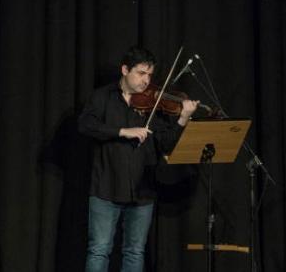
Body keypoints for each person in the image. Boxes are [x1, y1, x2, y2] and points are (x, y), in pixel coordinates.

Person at [78, 46, 198, 272]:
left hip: (143, 189)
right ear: (125, 70)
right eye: (141, 73)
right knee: (99, 250)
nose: (146, 80)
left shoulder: (153, 102)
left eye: (150, 75)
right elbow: (85, 125)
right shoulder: (102, 97)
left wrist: (182, 118)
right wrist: (123, 131)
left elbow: (167, 143)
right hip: (106, 186)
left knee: (134, 252)